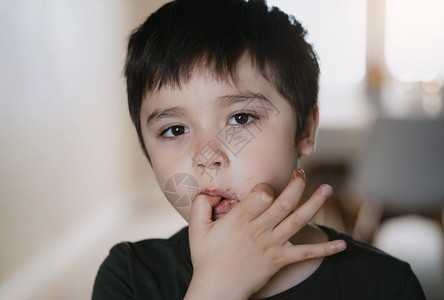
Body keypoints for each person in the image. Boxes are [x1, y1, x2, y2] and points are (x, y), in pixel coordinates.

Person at [92, 0, 426, 299]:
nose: (207, 156)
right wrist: (217, 288)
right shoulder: (129, 277)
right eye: (174, 129)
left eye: (240, 118)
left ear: (305, 130)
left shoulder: (386, 285)